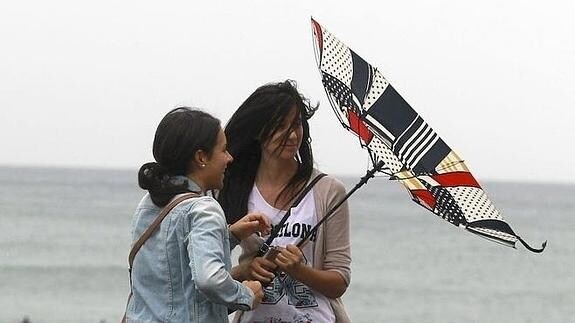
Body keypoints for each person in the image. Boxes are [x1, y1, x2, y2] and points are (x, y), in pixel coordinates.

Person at [218, 81, 352, 323]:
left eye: (297, 124)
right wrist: (245, 270)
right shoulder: (234, 189)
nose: (292, 135)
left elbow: (339, 282)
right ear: (258, 131)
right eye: (280, 126)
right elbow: (208, 272)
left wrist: (299, 270)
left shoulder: (328, 191)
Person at [125, 107, 270, 323]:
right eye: (223, 150)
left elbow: (173, 263)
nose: (229, 158)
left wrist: (230, 235)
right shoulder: (204, 209)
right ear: (201, 157)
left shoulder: (148, 203)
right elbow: (209, 279)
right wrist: (246, 294)